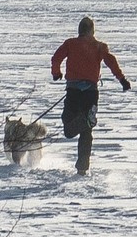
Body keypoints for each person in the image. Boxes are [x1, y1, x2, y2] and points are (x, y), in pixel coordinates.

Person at [50, 15, 131, 175]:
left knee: (68, 125)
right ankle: (82, 168)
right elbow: (111, 62)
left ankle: (83, 122)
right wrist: (122, 80)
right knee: (86, 132)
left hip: (73, 92)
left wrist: (56, 73)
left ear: (79, 31)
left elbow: (56, 58)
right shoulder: (99, 46)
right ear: (92, 31)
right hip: (90, 94)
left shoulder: (70, 44)